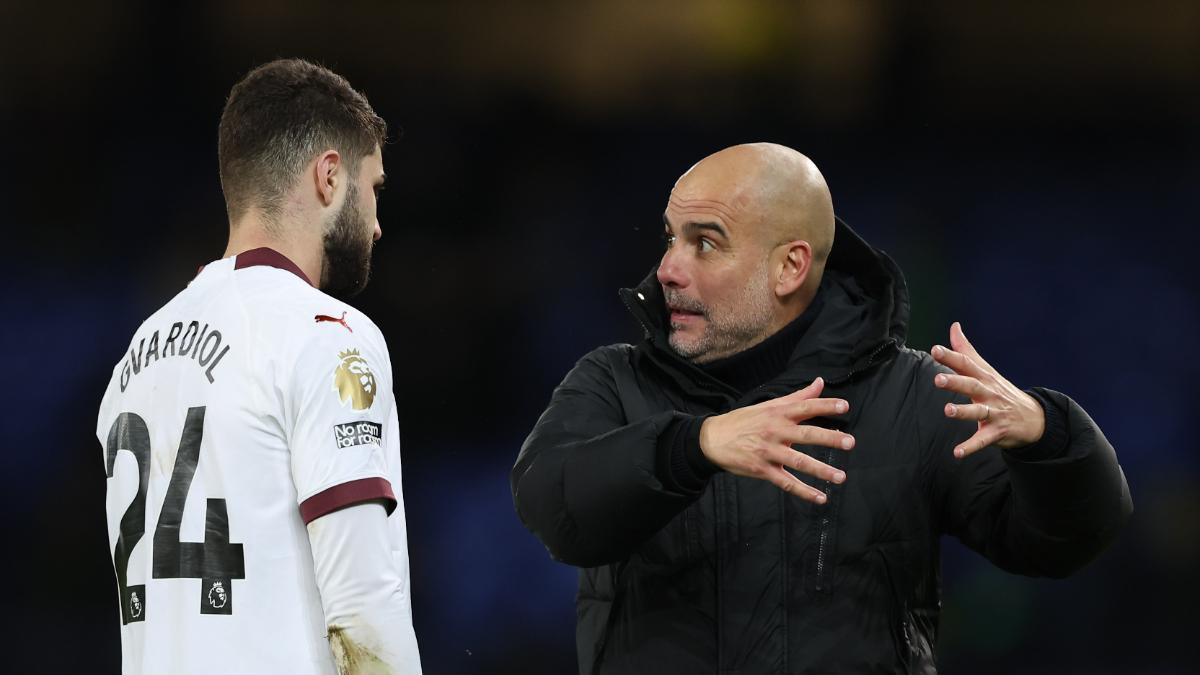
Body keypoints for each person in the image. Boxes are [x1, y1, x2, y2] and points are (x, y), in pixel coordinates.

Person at [511, 143, 1132, 674]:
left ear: (789, 267)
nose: (668, 267)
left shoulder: (913, 398)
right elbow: (553, 509)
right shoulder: (615, 381)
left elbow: (1063, 545)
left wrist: (1051, 440)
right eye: (672, 237)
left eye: (705, 243)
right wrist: (690, 447)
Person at [96, 59, 422, 674]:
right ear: (329, 177)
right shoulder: (328, 336)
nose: (378, 225)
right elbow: (364, 611)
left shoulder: (132, 364)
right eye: (374, 188)